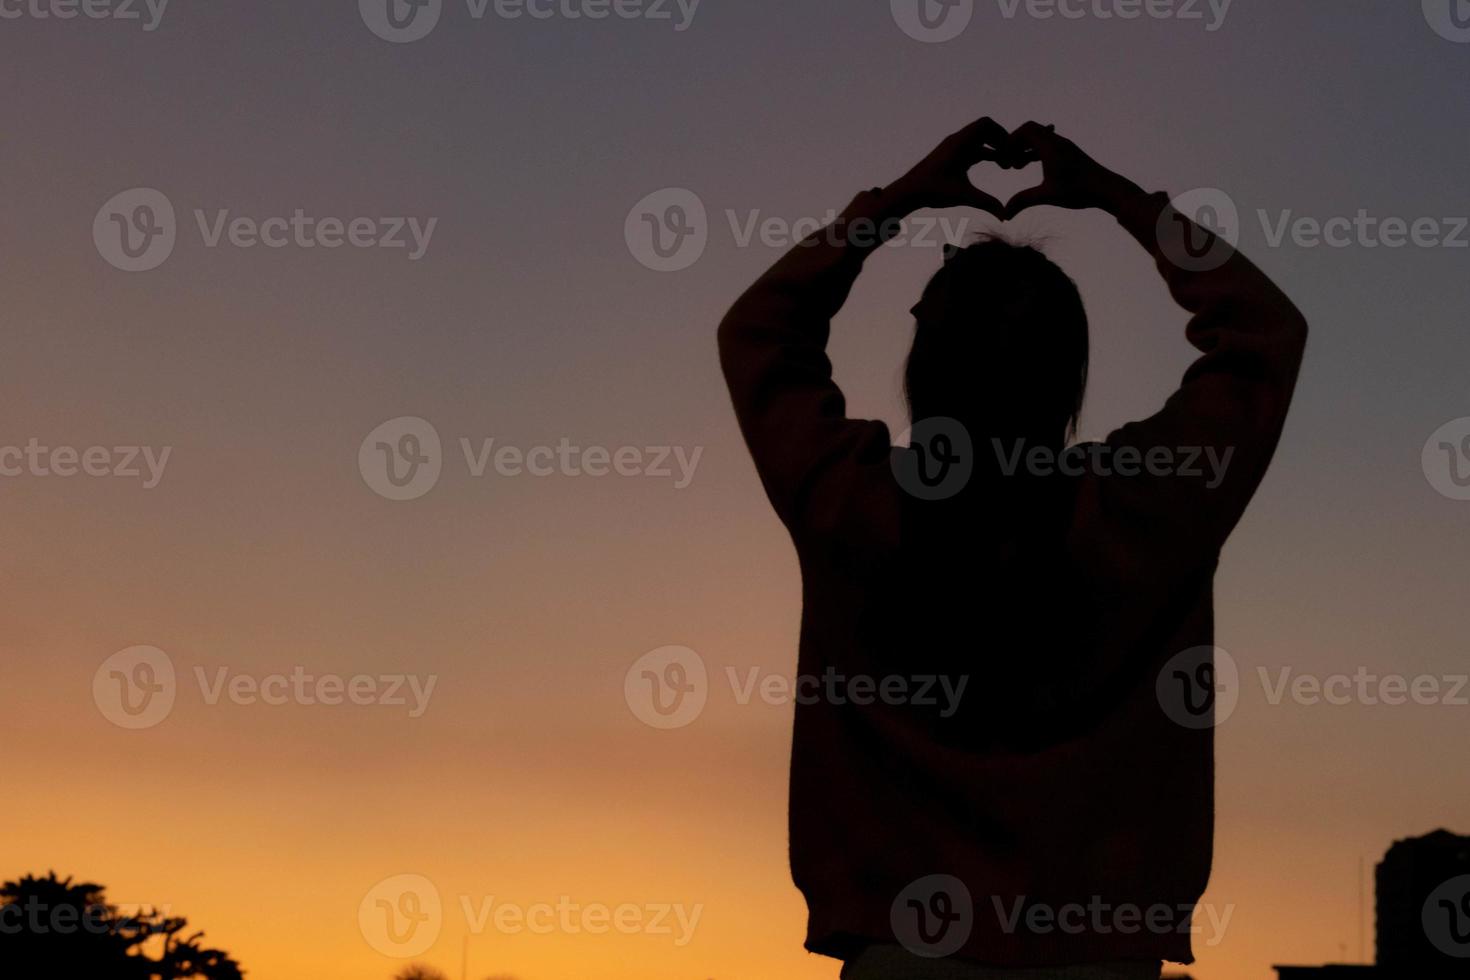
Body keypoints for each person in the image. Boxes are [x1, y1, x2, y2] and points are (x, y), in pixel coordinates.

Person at [717, 117, 1308, 979]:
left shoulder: (854, 501)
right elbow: (1262, 333)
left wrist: (896, 203)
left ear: (922, 364)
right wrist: (1118, 200)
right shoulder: (1151, 500)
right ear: (1070, 376)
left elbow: (762, 333)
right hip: (1096, 955)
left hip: (901, 950)